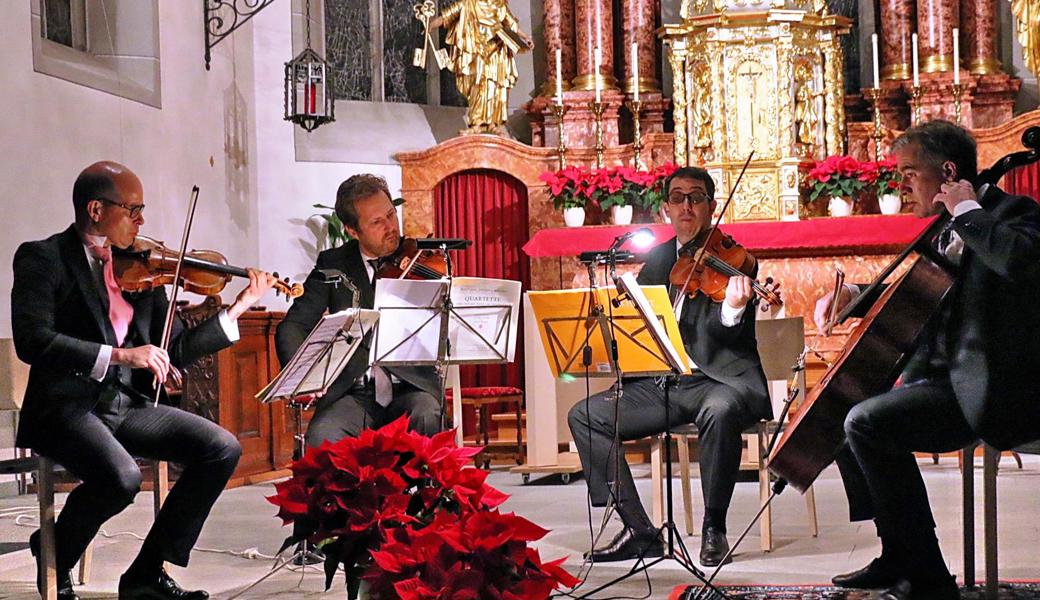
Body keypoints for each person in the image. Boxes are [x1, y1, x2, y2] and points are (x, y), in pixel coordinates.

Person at [12, 161, 278, 600]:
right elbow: (32, 340)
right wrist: (120, 355)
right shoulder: (43, 257)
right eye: (132, 210)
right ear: (96, 209)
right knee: (121, 478)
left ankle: (145, 575)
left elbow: (171, 349)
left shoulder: (143, 272)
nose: (141, 221)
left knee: (221, 448)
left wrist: (238, 308)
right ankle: (54, 550)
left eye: (142, 210)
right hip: (66, 407)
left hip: (124, 404)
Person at [814, 120, 1040, 600]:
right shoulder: (939, 230)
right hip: (944, 384)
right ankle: (900, 553)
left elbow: (1021, 261)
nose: (900, 185)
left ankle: (929, 579)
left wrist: (968, 212)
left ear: (949, 172)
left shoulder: (1015, 213)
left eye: (909, 173)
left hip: (995, 388)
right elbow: (913, 297)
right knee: (842, 412)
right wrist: (854, 296)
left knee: (867, 423)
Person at [567, 166, 772, 566]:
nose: (686, 207)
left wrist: (732, 308)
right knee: (586, 414)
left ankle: (715, 526)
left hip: (718, 380)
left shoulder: (737, 260)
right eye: (677, 198)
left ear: (711, 207)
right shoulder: (658, 259)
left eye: (696, 198)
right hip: (663, 382)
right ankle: (638, 530)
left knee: (719, 409)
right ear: (665, 209)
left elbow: (731, 337)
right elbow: (637, 324)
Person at [275, 173, 443, 450]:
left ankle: (421, 495)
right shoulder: (333, 264)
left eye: (391, 214)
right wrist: (305, 375)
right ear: (353, 231)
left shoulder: (420, 260)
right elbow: (293, 325)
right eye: (377, 222)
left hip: (411, 386)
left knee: (426, 414)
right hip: (353, 393)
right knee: (322, 436)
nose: (391, 227)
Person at [430, 0, 533, 135]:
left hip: (496, 52)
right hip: (477, 53)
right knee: (478, 87)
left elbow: (511, 25)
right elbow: (447, 16)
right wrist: (431, 24)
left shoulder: (499, 5)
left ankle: (493, 124)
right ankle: (476, 123)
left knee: (495, 87)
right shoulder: (468, 3)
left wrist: (526, 37)